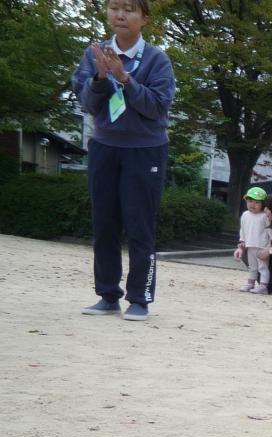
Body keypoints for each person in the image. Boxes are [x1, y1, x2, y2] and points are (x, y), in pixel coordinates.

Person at [72, 0, 176, 322]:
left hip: (145, 150)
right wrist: (100, 78)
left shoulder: (157, 60)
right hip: (104, 145)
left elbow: (157, 107)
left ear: (144, 18)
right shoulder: (94, 54)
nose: (120, 15)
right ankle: (107, 295)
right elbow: (87, 104)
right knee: (104, 223)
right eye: (115, 7)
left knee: (139, 225)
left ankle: (140, 298)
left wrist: (125, 78)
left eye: (129, 9)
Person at [234, 186, 271, 293]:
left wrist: (271, 246)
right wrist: (242, 242)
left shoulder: (265, 216)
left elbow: (271, 230)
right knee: (252, 266)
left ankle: (263, 285)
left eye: (257, 202)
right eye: (250, 201)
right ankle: (251, 283)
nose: (252, 204)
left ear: (263, 204)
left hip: (262, 246)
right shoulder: (245, 215)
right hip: (250, 245)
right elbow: (243, 230)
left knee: (263, 266)